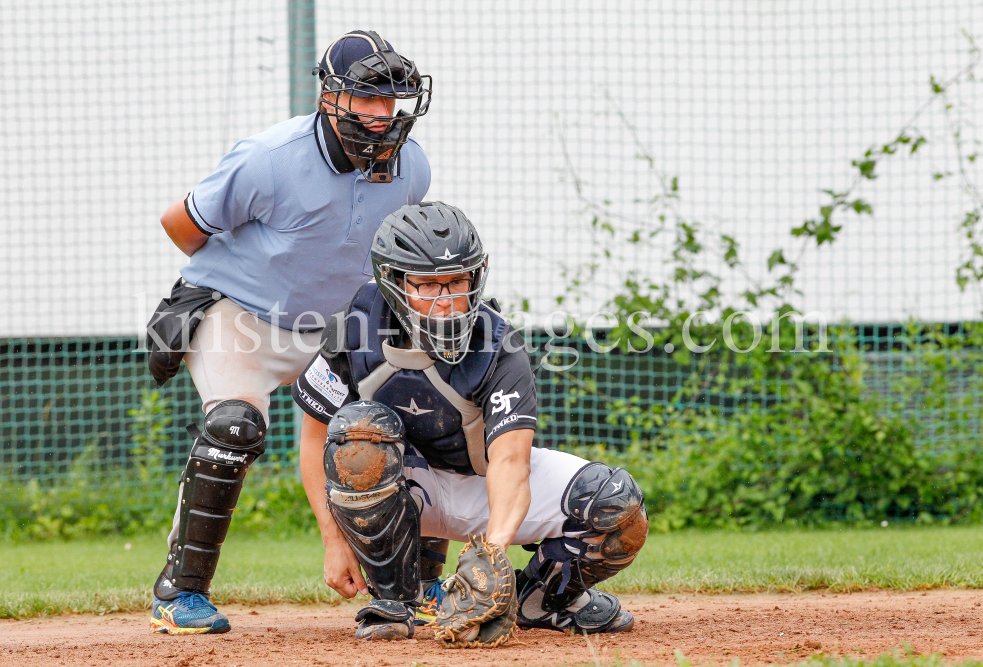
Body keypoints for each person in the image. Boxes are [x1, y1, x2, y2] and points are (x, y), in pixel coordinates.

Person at [148, 30, 432, 635]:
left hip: (331, 326)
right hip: (240, 316)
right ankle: (180, 593)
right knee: (235, 428)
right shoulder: (270, 158)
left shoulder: (412, 168)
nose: (383, 116)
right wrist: (247, 272)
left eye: (393, 100)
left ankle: (414, 579)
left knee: (401, 418)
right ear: (331, 97)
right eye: (368, 98)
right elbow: (181, 224)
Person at [292, 201, 649, 640]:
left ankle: (539, 601)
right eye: (426, 285)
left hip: (486, 487)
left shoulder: (499, 343)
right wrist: (334, 539)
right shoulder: (352, 327)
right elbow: (315, 440)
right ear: (392, 281)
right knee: (356, 431)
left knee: (618, 505)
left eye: (456, 282)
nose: (446, 301)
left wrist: (491, 556)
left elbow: (511, 461)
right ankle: (396, 600)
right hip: (406, 491)